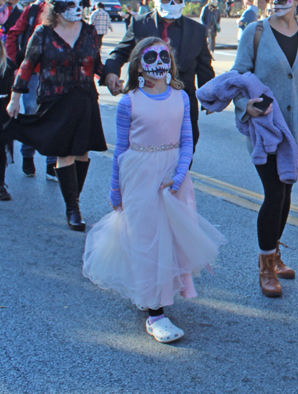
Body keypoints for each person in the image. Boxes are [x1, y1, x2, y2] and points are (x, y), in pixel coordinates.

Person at [82, 37, 225, 343]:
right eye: (151, 57)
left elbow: (187, 139)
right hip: (139, 175)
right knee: (147, 239)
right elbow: (120, 149)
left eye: (164, 56)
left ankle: (155, 295)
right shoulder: (129, 101)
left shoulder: (181, 96)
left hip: (174, 175)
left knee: (172, 240)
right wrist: (115, 190)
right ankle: (155, 314)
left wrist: (179, 173)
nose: (159, 63)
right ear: (138, 67)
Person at [231, 0, 298, 297]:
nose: (276, 3)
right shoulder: (255, 32)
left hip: (297, 129)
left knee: (286, 195)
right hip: (266, 128)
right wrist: (245, 105)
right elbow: (238, 74)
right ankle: (264, 267)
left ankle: (274, 255)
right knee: (274, 194)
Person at [6, 0, 107, 232]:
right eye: (70, 7)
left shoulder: (89, 31)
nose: (77, 11)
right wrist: (16, 97)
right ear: (57, 9)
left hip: (85, 99)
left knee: (82, 153)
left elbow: (96, 64)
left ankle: (75, 199)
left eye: (79, 6)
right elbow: (27, 66)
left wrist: (111, 78)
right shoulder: (43, 33)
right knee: (64, 152)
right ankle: (72, 208)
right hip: (55, 100)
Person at [103, 0, 215, 150]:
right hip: (146, 102)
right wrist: (111, 72)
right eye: (166, 0)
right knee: (146, 153)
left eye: (177, 0)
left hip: (182, 103)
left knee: (183, 153)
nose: (171, 5)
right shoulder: (140, 24)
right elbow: (121, 52)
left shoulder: (196, 31)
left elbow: (204, 68)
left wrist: (210, 96)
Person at [5, 0, 68, 181]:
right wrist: (13, 63)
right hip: (32, 73)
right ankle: (27, 156)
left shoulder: (68, 11)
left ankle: (51, 164)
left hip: (56, 75)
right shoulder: (33, 10)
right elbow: (14, 33)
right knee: (32, 114)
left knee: (53, 117)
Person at [0, 39, 15, 200]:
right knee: (1, 150)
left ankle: (0, 185)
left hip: (3, 112)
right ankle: (0, 185)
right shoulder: (9, 65)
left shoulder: (8, 66)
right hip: (3, 111)